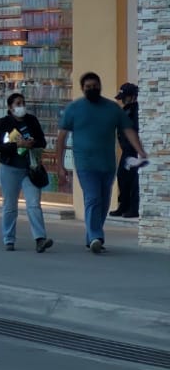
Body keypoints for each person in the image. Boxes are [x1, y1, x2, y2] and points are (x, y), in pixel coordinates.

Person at [55, 71, 148, 254]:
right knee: (92, 198)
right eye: (88, 87)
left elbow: (128, 130)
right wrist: (60, 166)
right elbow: (61, 138)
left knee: (104, 202)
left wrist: (140, 151)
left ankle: (92, 235)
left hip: (107, 164)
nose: (92, 89)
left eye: (95, 86)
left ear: (100, 86)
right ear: (82, 89)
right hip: (85, 163)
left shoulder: (112, 109)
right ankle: (96, 237)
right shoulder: (74, 109)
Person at [0, 92, 52, 253]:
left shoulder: (31, 121)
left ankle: (40, 239)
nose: (21, 106)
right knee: (10, 205)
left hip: (30, 168)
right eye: (18, 104)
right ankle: (9, 238)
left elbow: (42, 141)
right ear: (10, 107)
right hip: (10, 167)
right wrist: (18, 145)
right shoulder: (4, 123)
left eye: (23, 103)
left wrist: (32, 143)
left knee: (33, 204)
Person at [111, 82, 142, 219]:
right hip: (126, 149)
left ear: (132, 96)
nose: (123, 100)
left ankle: (133, 208)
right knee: (122, 176)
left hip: (134, 150)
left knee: (134, 180)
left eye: (125, 97)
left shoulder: (137, 110)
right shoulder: (125, 110)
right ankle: (123, 205)